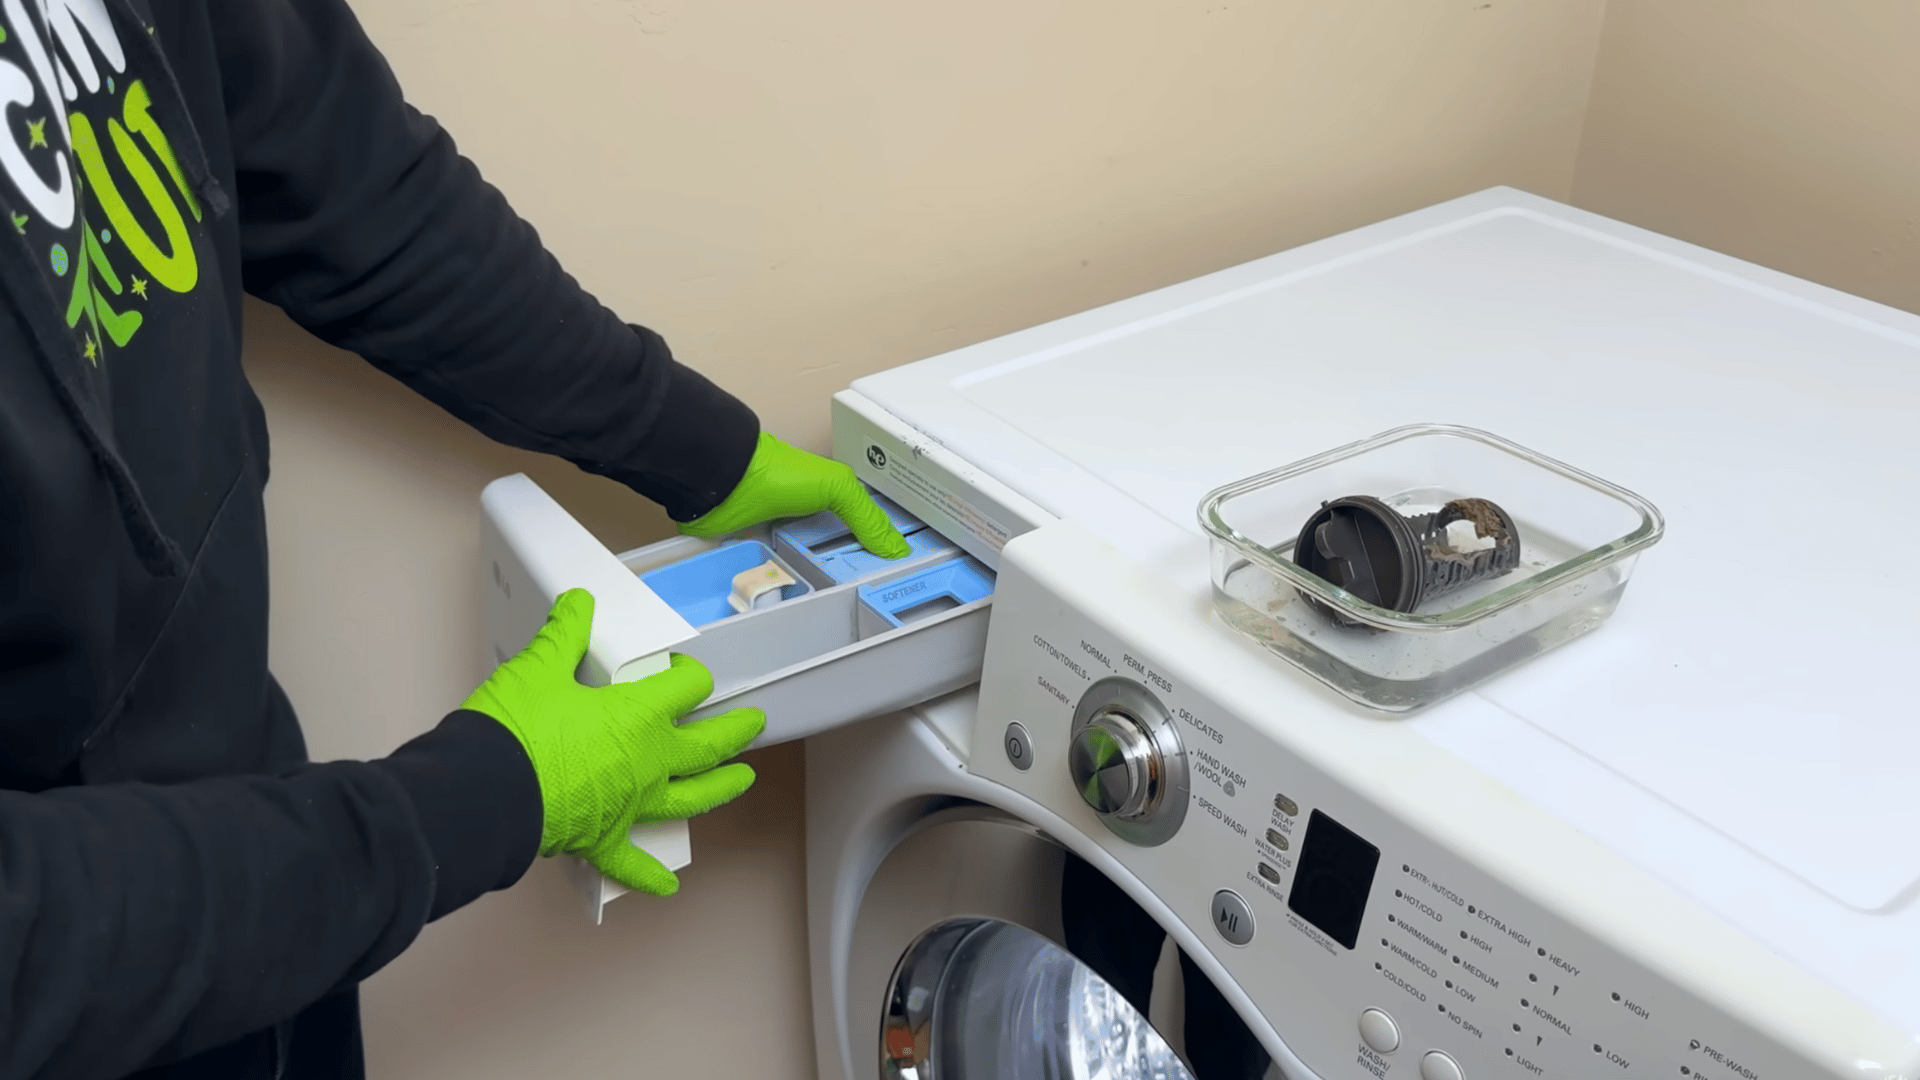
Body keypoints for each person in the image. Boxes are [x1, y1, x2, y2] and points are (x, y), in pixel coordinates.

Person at [0, 1, 909, 1076]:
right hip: (83, 974)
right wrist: (484, 801)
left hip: (255, 828)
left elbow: (347, 174)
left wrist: (697, 450)